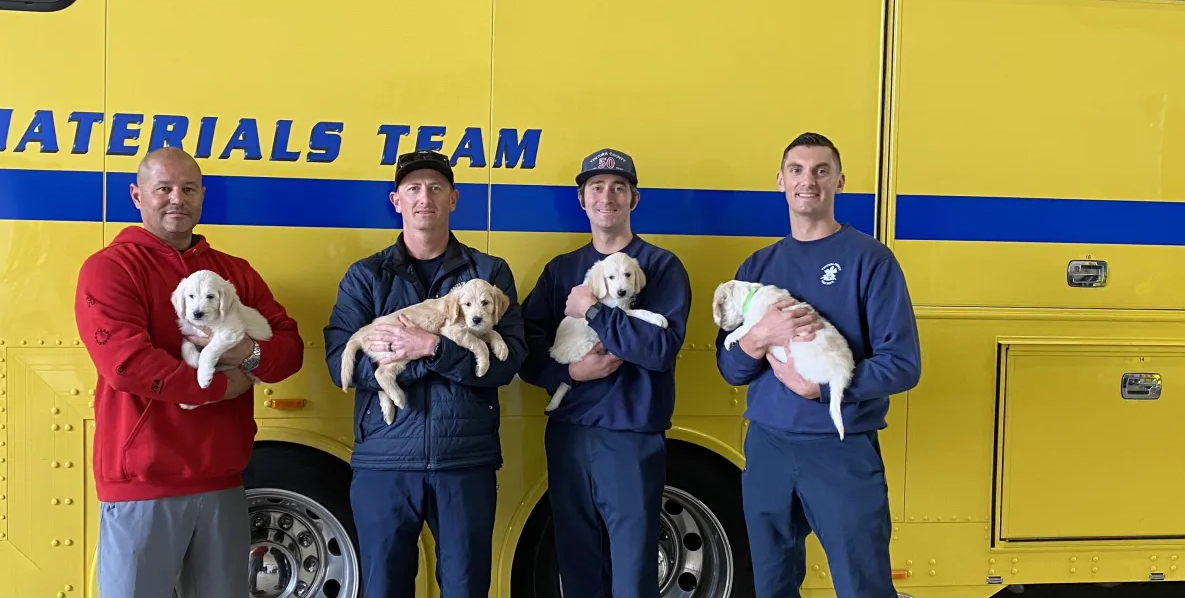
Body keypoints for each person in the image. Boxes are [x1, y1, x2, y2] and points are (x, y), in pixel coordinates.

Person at [73, 147, 305, 598]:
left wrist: (249, 354)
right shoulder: (109, 269)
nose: (176, 198)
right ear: (137, 195)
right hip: (143, 485)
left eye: (187, 188)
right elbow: (128, 365)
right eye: (163, 188)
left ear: (202, 196)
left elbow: (289, 349)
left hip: (221, 481)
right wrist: (225, 385)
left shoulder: (234, 274)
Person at [714, 132, 921, 598]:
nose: (808, 181)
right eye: (797, 170)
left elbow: (903, 364)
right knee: (771, 584)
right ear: (781, 182)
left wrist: (820, 389)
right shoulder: (758, 265)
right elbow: (730, 367)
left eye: (821, 170)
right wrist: (760, 337)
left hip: (839, 450)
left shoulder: (870, 260)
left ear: (840, 182)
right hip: (768, 447)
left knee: (861, 584)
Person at [322, 149, 527, 598]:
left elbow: (509, 363)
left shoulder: (490, 274)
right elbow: (343, 357)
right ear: (396, 200)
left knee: (465, 587)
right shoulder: (366, 276)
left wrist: (432, 347)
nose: (424, 198)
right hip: (384, 460)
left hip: (464, 462)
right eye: (413, 188)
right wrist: (412, 361)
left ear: (453, 199)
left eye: (436, 188)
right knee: (384, 588)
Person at [519, 148, 692, 598]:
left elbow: (659, 350)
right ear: (582, 199)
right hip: (570, 433)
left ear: (634, 199)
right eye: (596, 187)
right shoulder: (561, 271)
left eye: (619, 187)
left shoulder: (660, 268)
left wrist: (595, 311)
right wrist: (571, 372)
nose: (607, 196)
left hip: (630, 434)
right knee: (576, 562)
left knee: (633, 569)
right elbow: (525, 347)